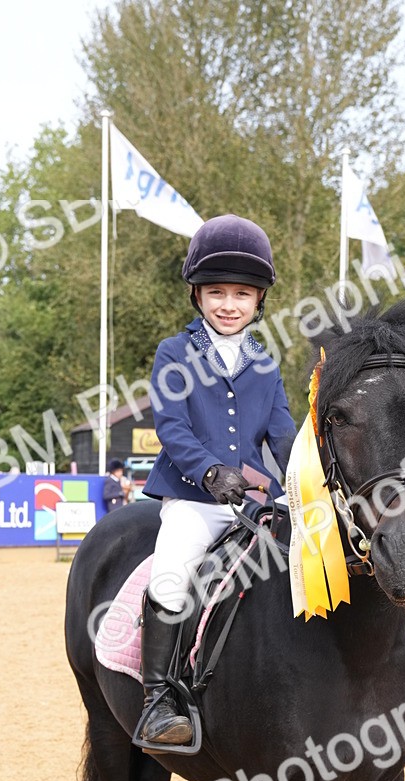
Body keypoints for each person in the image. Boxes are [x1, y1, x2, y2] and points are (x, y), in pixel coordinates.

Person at [138, 214, 297, 745]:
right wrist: (208, 472)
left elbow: (282, 433)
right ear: (198, 296)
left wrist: (303, 478)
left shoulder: (265, 362)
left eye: (242, 294)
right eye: (217, 292)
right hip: (191, 497)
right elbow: (172, 427)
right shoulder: (174, 352)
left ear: (258, 302)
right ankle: (157, 700)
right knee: (170, 574)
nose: (229, 304)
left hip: (251, 501)